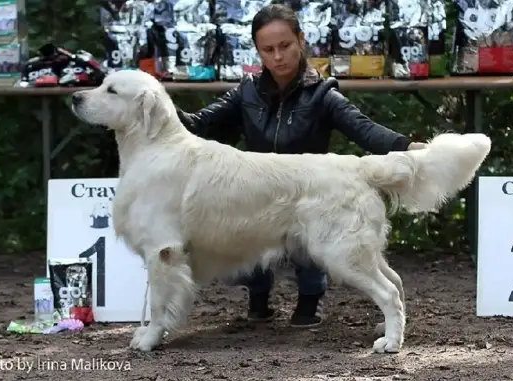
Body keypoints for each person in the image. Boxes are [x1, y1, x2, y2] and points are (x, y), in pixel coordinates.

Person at [174, 4, 426, 328]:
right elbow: (198, 125)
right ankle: (258, 300)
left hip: (311, 193)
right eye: (268, 49)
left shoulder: (323, 94)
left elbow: (364, 129)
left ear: (301, 41)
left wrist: (408, 147)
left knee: (317, 231)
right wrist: (151, 103)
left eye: (285, 46)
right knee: (241, 217)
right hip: (260, 194)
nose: (278, 56)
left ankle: (309, 302)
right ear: (258, 51)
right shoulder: (246, 92)